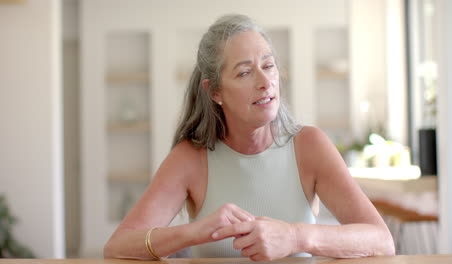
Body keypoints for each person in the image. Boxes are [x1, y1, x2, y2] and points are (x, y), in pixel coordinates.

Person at [104, 14, 395, 261]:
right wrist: (195, 232)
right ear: (215, 91)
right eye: (244, 72)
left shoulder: (310, 145)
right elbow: (117, 247)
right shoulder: (190, 157)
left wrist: (295, 236)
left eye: (268, 66)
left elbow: (382, 241)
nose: (265, 81)